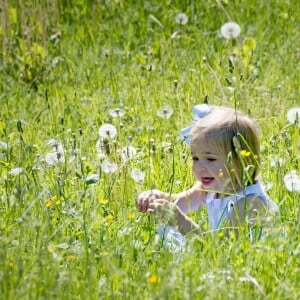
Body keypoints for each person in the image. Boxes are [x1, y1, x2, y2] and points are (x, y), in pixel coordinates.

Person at [137, 104, 279, 242]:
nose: (199, 167)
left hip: (246, 263)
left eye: (210, 159)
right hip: (219, 256)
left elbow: (221, 252)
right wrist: (157, 198)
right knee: (164, 232)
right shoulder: (211, 188)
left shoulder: (251, 202)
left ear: (241, 160)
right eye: (195, 158)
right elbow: (179, 203)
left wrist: (180, 221)